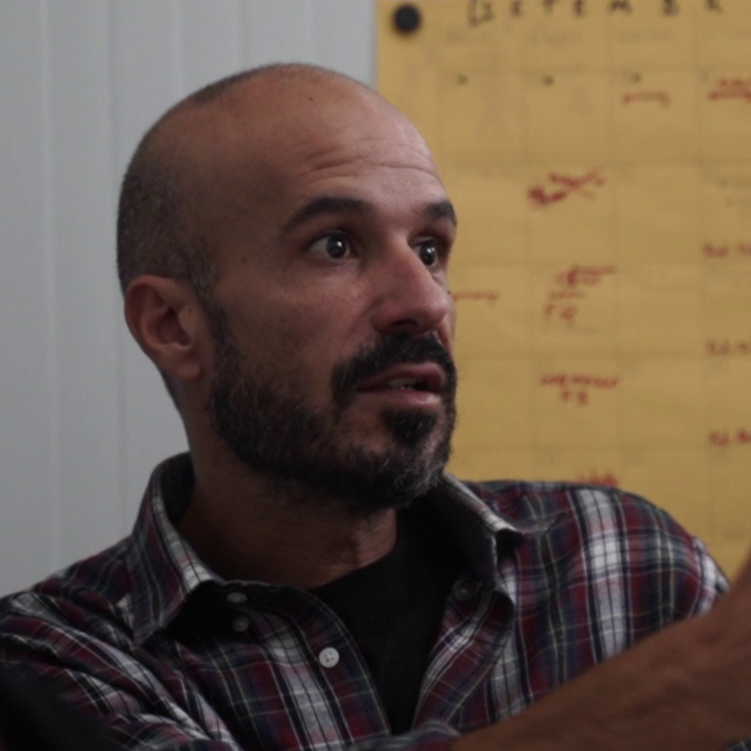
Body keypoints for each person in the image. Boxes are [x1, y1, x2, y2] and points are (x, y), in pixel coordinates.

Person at [0, 63, 749, 750]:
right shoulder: (53, 660)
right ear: (173, 325)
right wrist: (657, 704)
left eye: (429, 248)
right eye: (335, 246)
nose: (425, 301)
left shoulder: (629, 567)